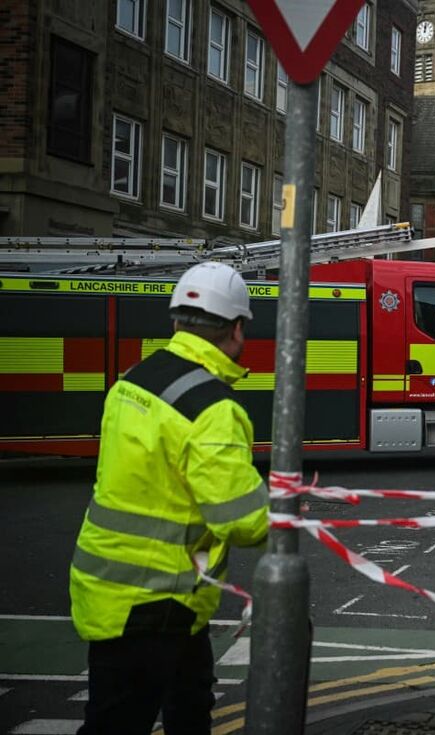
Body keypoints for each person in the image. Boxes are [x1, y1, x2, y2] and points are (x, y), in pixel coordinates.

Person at [70, 262, 269, 734]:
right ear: (237, 329)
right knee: (118, 724)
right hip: (154, 600)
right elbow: (242, 521)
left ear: (177, 320)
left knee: (188, 704)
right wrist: (284, 505)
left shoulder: (133, 380)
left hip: (118, 588)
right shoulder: (213, 409)